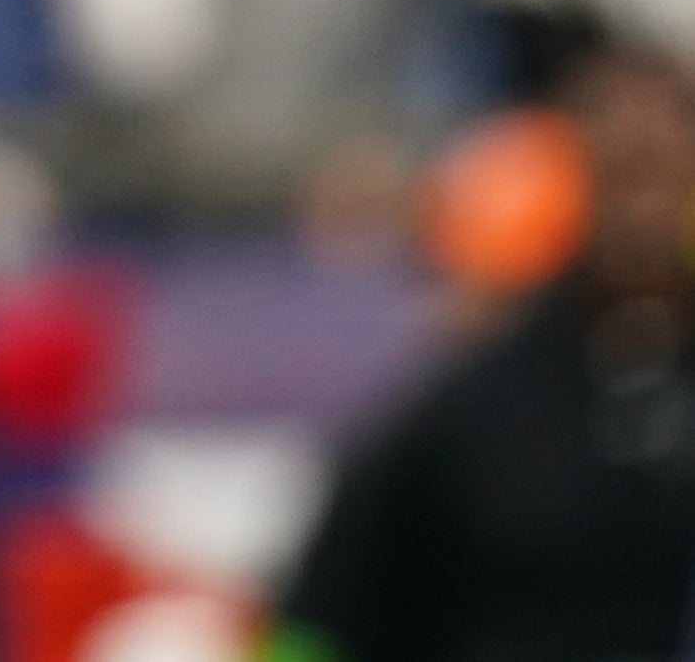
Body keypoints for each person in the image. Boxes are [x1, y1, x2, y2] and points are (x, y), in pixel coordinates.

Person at [273, 45, 695, 662]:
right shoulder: (465, 412)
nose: (642, 216)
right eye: (619, 178)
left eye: (665, 176)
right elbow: (318, 621)